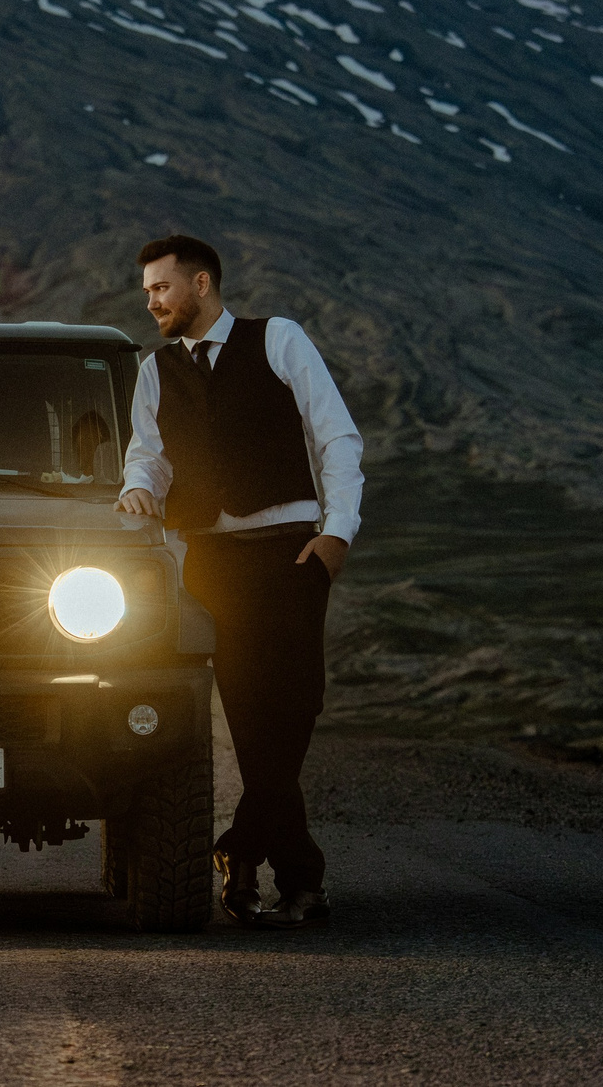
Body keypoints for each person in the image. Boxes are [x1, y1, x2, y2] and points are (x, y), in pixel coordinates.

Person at [115, 235, 363, 928]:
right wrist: (138, 491)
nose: (152, 302)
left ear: (201, 283)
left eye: (161, 288)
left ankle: (239, 847)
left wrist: (338, 531)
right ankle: (299, 879)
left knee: (298, 709)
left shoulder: (277, 339)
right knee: (254, 723)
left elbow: (335, 435)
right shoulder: (155, 370)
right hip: (213, 563)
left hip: (290, 554)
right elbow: (148, 455)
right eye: (147, 293)